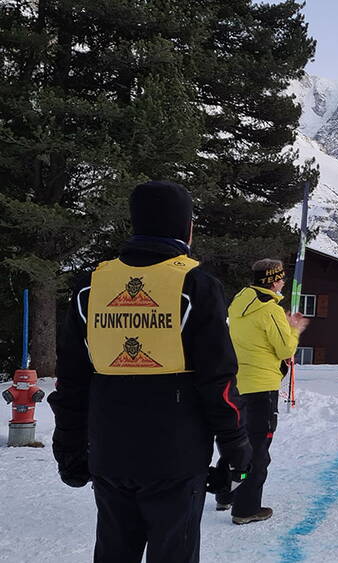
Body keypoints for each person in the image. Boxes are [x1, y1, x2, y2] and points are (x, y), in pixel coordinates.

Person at [49, 181, 252, 561]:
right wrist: (235, 446)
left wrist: (69, 447)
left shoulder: (91, 287)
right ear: (185, 228)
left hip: (110, 451)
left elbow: (72, 380)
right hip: (175, 455)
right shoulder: (195, 286)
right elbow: (218, 380)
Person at [217, 258, 309, 524]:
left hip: (237, 382)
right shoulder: (270, 310)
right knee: (258, 448)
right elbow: (285, 350)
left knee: (236, 440)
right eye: (281, 279)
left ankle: (225, 494)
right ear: (273, 280)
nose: (283, 283)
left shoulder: (239, 301)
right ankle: (246, 508)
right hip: (262, 385)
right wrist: (294, 329)